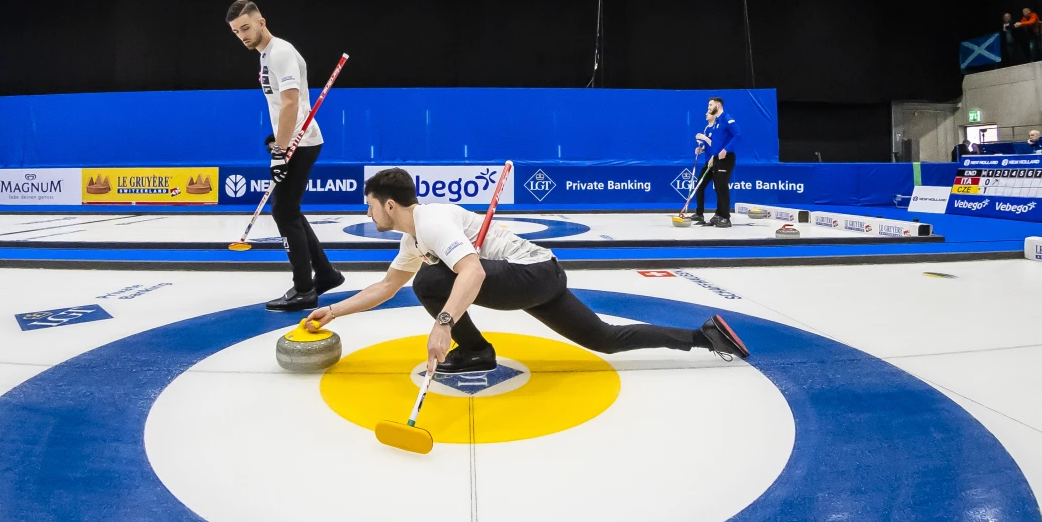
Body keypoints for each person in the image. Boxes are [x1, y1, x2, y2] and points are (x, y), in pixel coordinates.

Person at [306, 168, 749, 376]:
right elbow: (385, 286)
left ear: (389, 203)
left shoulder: (432, 221)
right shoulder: (412, 238)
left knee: (434, 278)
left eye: (369, 203)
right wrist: (334, 311)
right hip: (543, 277)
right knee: (604, 340)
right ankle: (703, 336)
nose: (365, 211)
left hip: (532, 273)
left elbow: (474, 273)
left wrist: (444, 324)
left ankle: (474, 349)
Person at [226, 0, 343, 311]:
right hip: (294, 139)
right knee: (289, 209)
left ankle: (305, 289)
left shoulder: (280, 53)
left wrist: (280, 149)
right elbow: (284, 106)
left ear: (261, 20)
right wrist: (276, 137)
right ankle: (327, 275)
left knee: (284, 211)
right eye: (237, 32)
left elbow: (291, 103)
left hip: (300, 143)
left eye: (246, 27)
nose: (242, 36)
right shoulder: (266, 55)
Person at [691, 96, 740, 227]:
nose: (709, 108)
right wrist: (708, 153)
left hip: (726, 157)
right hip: (717, 158)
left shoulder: (726, 118)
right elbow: (715, 145)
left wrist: (726, 149)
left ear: (718, 105)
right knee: (718, 187)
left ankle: (726, 217)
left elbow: (738, 134)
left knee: (722, 188)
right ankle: (719, 214)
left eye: (710, 105)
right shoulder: (717, 122)